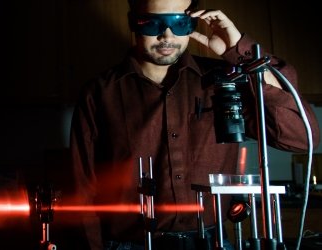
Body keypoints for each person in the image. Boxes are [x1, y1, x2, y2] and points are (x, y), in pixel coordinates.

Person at [68, 0, 321, 249]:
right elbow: (83, 185)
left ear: (192, 23)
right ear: (133, 22)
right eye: (152, 23)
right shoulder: (100, 93)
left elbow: (300, 138)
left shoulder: (225, 80)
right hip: (129, 243)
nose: (166, 35)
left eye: (179, 23)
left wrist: (239, 51)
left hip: (211, 240)